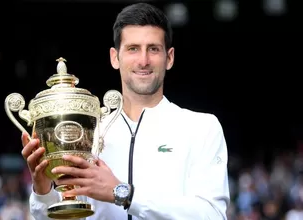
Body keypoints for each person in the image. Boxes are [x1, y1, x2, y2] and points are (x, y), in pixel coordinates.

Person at [21, 2, 230, 220]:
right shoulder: (89, 132)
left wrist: (124, 194)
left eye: (153, 49)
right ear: (115, 57)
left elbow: (213, 215)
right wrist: (43, 191)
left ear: (169, 58)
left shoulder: (201, 128)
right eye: (133, 49)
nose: (143, 61)